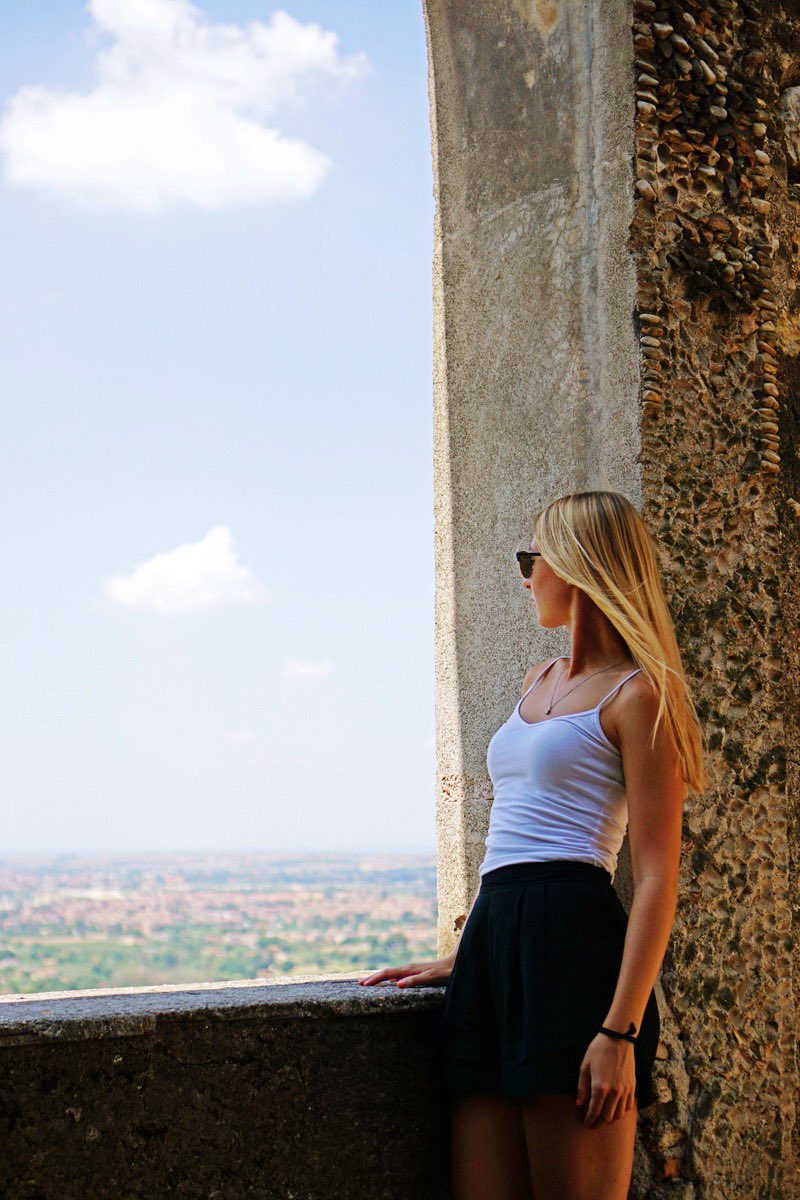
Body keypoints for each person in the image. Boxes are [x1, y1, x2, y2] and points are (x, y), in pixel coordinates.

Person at [359, 490, 706, 1200]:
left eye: (531, 559)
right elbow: (517, 833)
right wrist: (470, 953)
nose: (524, 577)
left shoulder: (639, 697)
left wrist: (618, 1033)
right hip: (497, 943)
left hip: (572, 946)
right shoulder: (537, 681)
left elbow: (656, 879)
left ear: (576, 566)